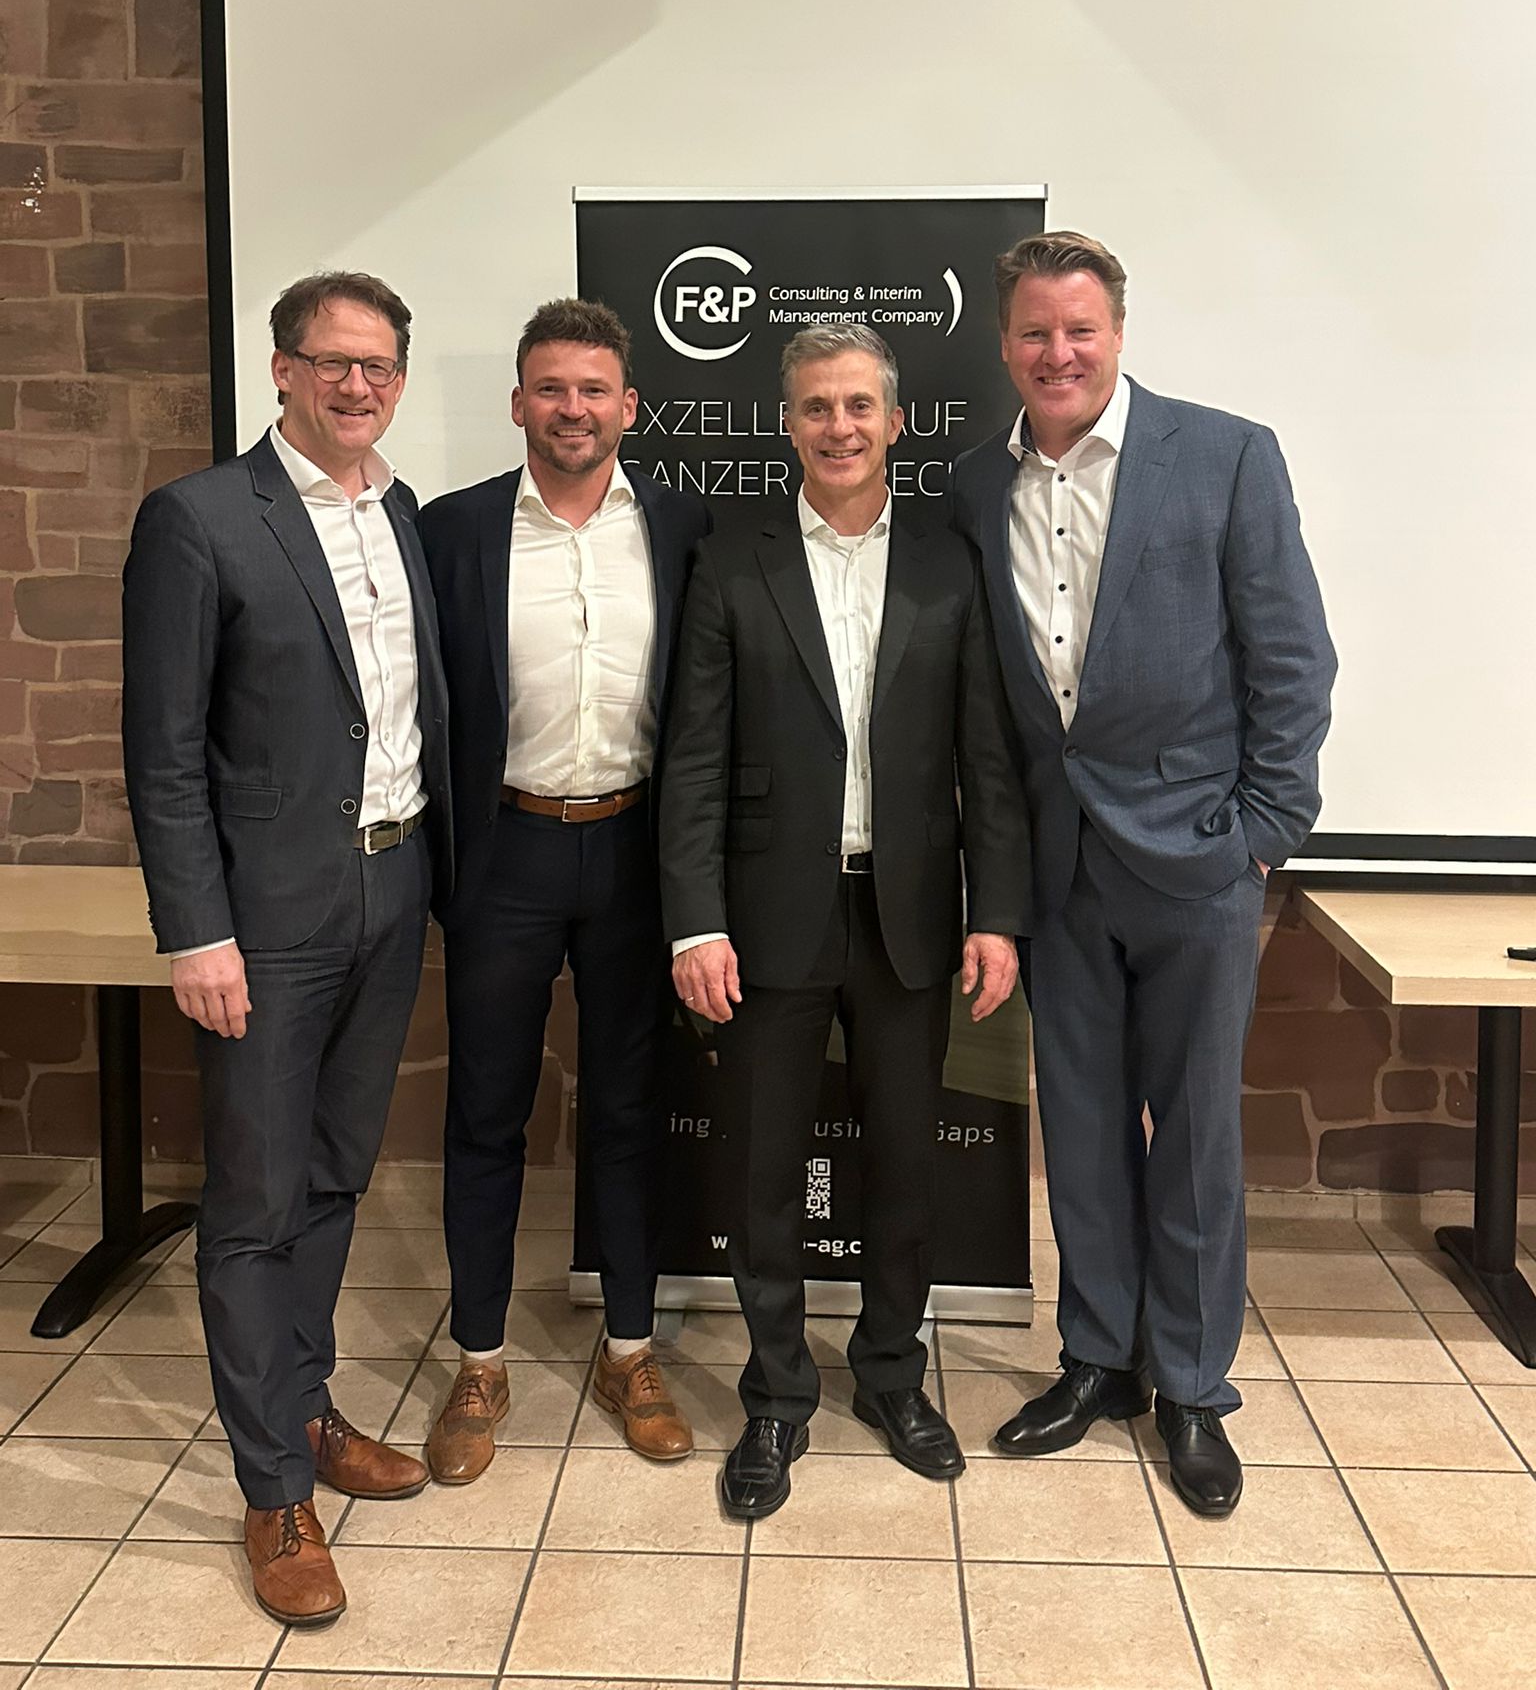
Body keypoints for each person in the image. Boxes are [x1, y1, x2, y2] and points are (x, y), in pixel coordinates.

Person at [951, 231, 1336, 1518]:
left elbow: (1294, 657)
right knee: (1082, 1129)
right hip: (1059, 867)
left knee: (1196, 1138)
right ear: (1004, 343)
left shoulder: (1224, 454)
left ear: (1117, 332)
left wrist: (1264, 828)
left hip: (1198, 860)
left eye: (1080, 329)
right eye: (1034, 331)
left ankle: (1193, 1385)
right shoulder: (976, 483)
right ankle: (1099, 1359)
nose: (1057, 352)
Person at [122, 271, 452, 1625]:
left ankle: (306, 1411)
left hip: (392, 891)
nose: (356, 385)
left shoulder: (402, 513)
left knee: (331, 1176)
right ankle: (272, 1490)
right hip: (264, 923)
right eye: (332, 362)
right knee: (253, 1206)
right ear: (282, 369)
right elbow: (164, 752)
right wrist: (197, 930)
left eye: (378, 366)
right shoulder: (200, 519)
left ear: (400, 381)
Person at [660, 323, 1028, 1521]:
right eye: (817, 406)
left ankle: (890, 1374)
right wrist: (694, 921)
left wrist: (997, 911)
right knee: (761, 1170)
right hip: (768, 917)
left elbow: (987, 755)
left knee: (907, 1166)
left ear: (896, 421)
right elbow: (693, 758)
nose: (839, 426)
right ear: (787, 423)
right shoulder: (732, 559)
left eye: (859, 404)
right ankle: (776, 1393)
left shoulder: (949, 561)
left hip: (912, 915)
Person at [419, 299, 709, 1483]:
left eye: (593, 389)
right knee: (486, 1109)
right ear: (518, 402)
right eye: (551, 387)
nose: (572, 408)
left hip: (639, 852)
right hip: (506, 852)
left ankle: (631, 1348)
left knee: (630, 1108)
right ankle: (479, 1358)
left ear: (630, 405)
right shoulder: (453, 529)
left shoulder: (685, 526)